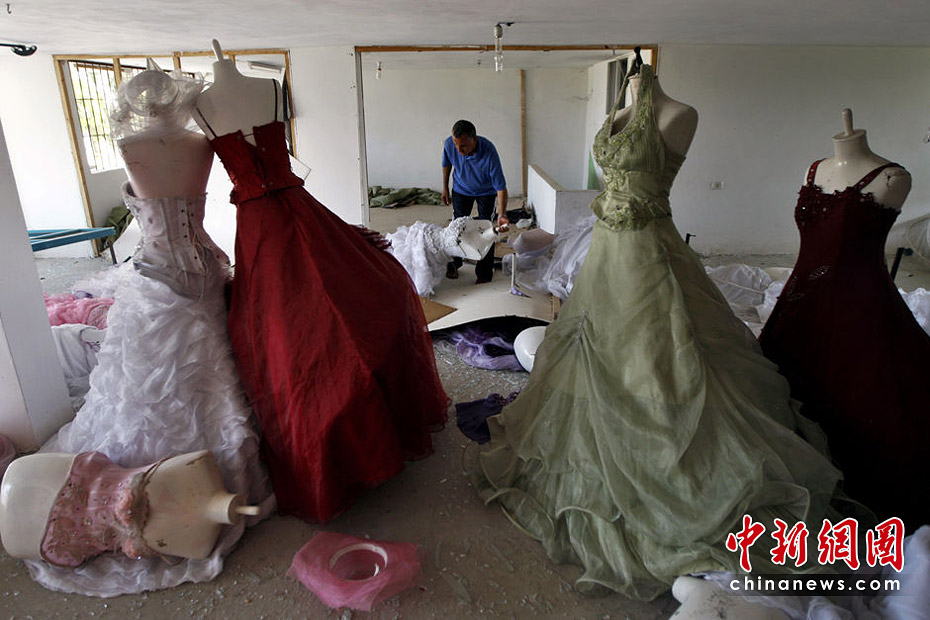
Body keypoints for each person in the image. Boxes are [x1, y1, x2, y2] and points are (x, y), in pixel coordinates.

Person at [472, 65, 855, 601]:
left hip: (648, 251)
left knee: (661, 353)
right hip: (607, 253)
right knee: (597, 348)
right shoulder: (622, 107)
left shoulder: (681, 115)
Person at [30, 63, 273, 597]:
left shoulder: (150, 143)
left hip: (167, 270)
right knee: (195, 369)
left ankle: (186, 479)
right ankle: (176, 482)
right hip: (190, 270)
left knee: (191, 370)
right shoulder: (188, 142)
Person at [193, 40, 449, 524]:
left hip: (296, 212)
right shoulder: (201, 104)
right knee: (286, 331)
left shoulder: (269, 87)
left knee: (363, 295)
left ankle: (367, 425)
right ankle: (325, 439)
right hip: (262, 229)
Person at [760, 109, 928, 528]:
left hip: (860, 305)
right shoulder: (813, 169)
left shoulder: (892, 178)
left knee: (866, 400)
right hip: (800, 300)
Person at [441, 119, 509, 283]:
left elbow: (501, 188)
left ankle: (484, 273)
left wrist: (502, 214)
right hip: (461, 190)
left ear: (474, 140)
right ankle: (454, 262)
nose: (459, 149)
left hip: (486, 192)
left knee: (486, 230)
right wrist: (445, 187)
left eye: (463, 146)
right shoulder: (450, 144)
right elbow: (446, 164)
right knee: (456, 227)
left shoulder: (489, 152)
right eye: (456, 145)